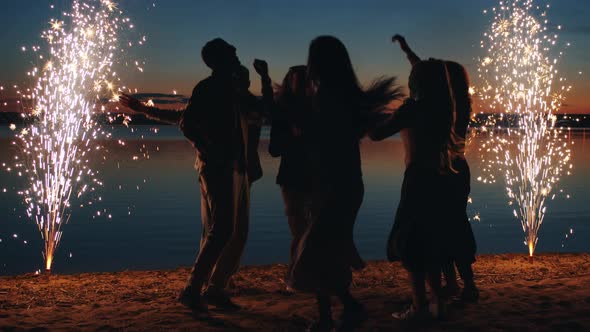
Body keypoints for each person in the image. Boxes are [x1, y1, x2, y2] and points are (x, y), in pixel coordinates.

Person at [118, 38, 273, 312]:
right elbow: (187, 122)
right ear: (220, 60)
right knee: (222, 228)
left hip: (239, 169)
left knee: (237, 231)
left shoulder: (235, 89)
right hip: (217, 168)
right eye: (232, 53)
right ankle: (192, 288)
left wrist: (265, 79)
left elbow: (264, 111)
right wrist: (210, 150)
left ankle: (216, 288)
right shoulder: (209, 88)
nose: (237, 56)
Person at [288, 35, 403, 331]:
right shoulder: (344, 97)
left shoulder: (327, 98)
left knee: (318, 248)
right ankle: (339, 310)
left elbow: (317, 137)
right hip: (344, 183)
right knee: (326, 248)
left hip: (333, 184)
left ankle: (338, 312)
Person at [370, 44, 464, 320]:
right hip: (441, 179)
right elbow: (425, 70)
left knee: (410, 244)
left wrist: (371, 111)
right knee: (431, 241)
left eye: (413, 77)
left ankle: (420, 305)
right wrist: (407, 51)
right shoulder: (446, 107)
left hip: (418, 180)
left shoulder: (413, 108)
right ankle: (437, 303)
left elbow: (377, 134)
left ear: (417, 83)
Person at [393, 35, 479, 303]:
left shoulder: (435, 109)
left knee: (440, 227)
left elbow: (423, 74)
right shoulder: (458, 105)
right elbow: (423, 69)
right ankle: (464, 285)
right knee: (453, 225)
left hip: (438, 171)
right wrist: (408, 51)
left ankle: (455, 286)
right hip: (458, 171)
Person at [268, 65, 310, 267]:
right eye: (298, 81)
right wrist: (293, 137)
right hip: (292, 177)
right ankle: (296, 274)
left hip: (317, 176)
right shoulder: (283, 113)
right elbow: (274, 149)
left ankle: (314, 281)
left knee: (314, 230)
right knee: (299, 230)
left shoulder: (318, 110)